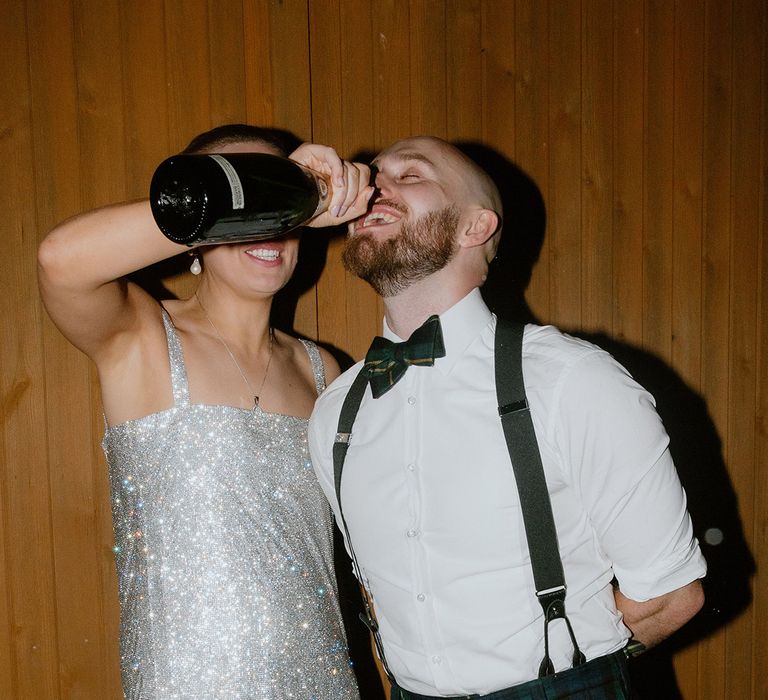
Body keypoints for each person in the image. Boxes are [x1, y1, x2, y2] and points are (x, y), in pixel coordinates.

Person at [308, 136, 707, 699]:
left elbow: (671, 594)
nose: (375, 185)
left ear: (476, 227)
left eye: (411, 175)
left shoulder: (571, 380)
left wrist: (583, 671)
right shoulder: (335, 414)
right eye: (372, 176)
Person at [37, 124, 372, 699]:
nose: (269, 225)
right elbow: (61, 260)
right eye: (249, 203)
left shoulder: (327, 372)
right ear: (194, 237)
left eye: (280, 205)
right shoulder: (142, 338)